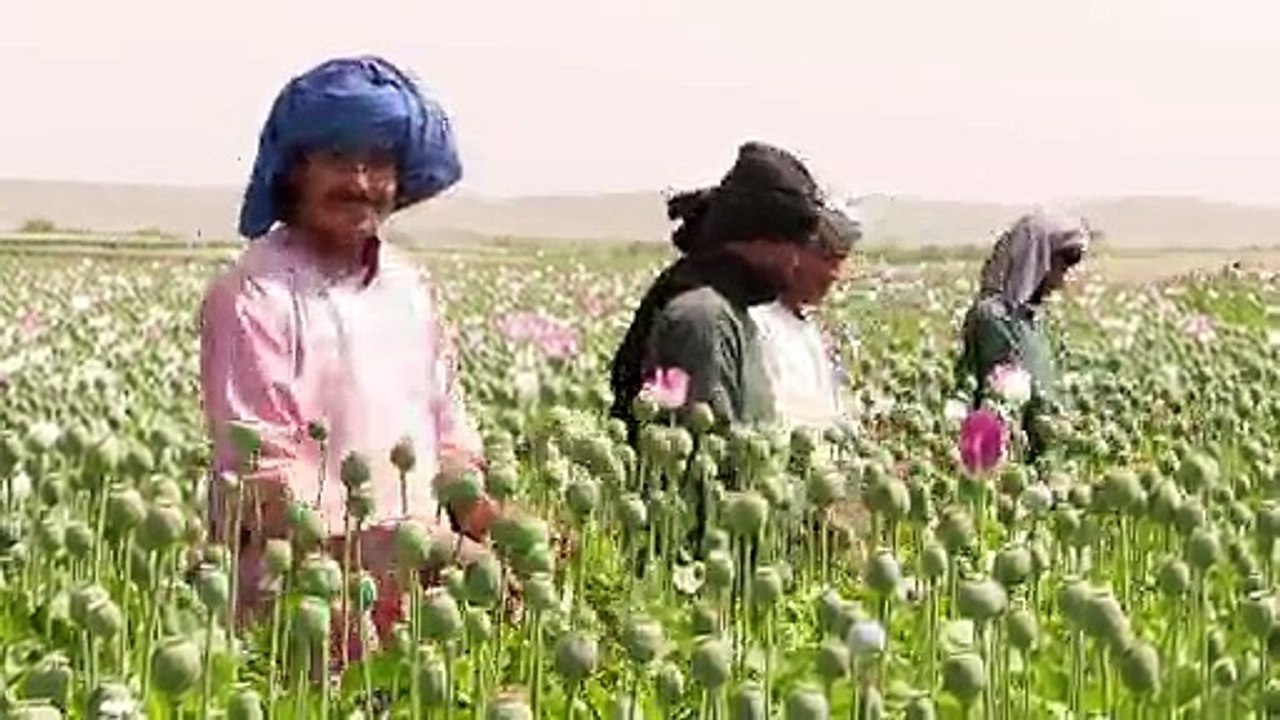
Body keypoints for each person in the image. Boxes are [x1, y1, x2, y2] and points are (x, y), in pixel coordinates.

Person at [198, 55, 497, 656]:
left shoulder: (409, 290)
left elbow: (449, 436)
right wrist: (410, 545)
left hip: (417, 616)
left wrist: (496, 525)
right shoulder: (256, 296)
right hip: (300, 616)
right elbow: (267, 481)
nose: (362, 182)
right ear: (293, 170)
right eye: (338, 158)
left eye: (380, 161)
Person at [609, 141, 858, 438]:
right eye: (794, 247)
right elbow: (696, 452)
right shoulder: (701, 319)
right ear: (759, 240)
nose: (796, 263)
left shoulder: (728, 309)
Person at [955, 210, 1093, 462]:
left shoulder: (1036, 320)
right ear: (1037, 260)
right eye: (1060, 268)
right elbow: (998, 398)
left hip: (1044, 457)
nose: (1062, 281)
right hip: (1003, 461)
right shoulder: (992, 318)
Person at [749, 206, 861, 432]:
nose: (836, 274)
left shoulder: (807, 328)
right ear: (795, 254)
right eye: (829, 259)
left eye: (841, 260)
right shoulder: (757, 324)